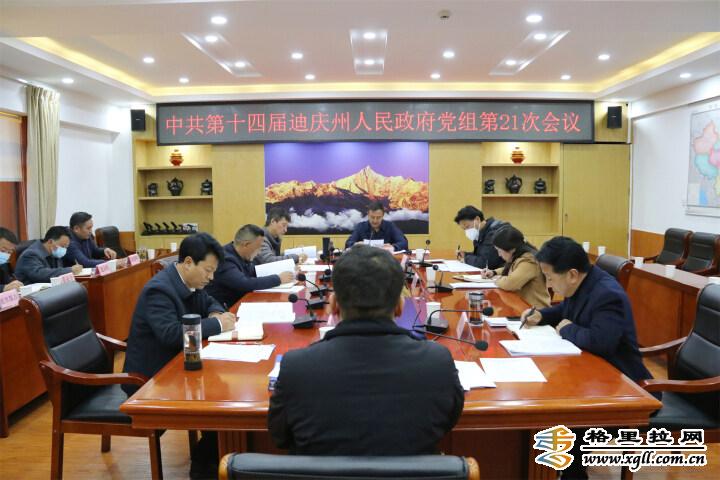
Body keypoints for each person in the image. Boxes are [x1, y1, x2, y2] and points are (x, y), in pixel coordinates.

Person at [268, 245, 464, 455]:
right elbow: (446, 424)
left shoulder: (297, 367)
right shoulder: (437, 362)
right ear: (400, 306)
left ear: (333, 305)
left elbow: (280, 437)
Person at [122, 232, 235, 480]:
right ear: (188, 263)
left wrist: (215, 313)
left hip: (177, 366)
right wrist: (218, 325)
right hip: (150, 380)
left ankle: (211, 457)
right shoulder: (159, 290)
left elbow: (210, 301)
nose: (211, 277)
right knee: (219, 397)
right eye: (208, 270)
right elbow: (171, 335)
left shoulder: (190, 282)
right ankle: (206, 464)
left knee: (224, 388)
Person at [205, 224, 295, 307]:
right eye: (258, 247)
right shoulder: (225, 259)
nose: (259, 252)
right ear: (246, 244)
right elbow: (244, 284)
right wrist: (278, 279)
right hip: (224, 310)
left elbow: (256, 272)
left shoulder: (242, 255)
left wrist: (285, 269)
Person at [480, 226, 550, 308]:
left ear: (512, 249)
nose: (499, 255)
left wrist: (496, 279)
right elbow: (514, 269)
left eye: (500, 251)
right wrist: (494, 272)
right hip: (522, 307)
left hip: (534, 310)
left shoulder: (529, 261)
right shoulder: (520, 256)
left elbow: (509, 284)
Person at [14, 226, 83, 283]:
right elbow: (39, 274)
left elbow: (56, 272)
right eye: (62, 246)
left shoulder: (54, 253)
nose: (64, 250)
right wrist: (69, 270)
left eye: (66, 247)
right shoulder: (31, 254)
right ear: (50, 241)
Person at [453, 205, 507, 269]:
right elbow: (481, 255)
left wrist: (466, 259)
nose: (467, 231)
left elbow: (486, 263)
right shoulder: (480, 233)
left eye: (467, 227)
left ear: (477, 219)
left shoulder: (494, 233)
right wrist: (466, 254)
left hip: (505, 272)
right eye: (464, 229)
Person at [344, 201, 408, 252]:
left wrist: (393, 247)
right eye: (372, 217)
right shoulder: (360, 227)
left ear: (383, 215)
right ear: (368, 215)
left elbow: (403, 243)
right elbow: (348, 243)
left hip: (386, 261)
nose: (375, 220)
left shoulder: (390, 226)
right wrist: (355, 245)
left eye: (378, 217)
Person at [0, 227, 23, 292]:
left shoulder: (3, 264)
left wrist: (14, 284)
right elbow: (5, 287)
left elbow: (8, 282)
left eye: (9, 252)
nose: (6, 255)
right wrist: (3, 288)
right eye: (3, 250)